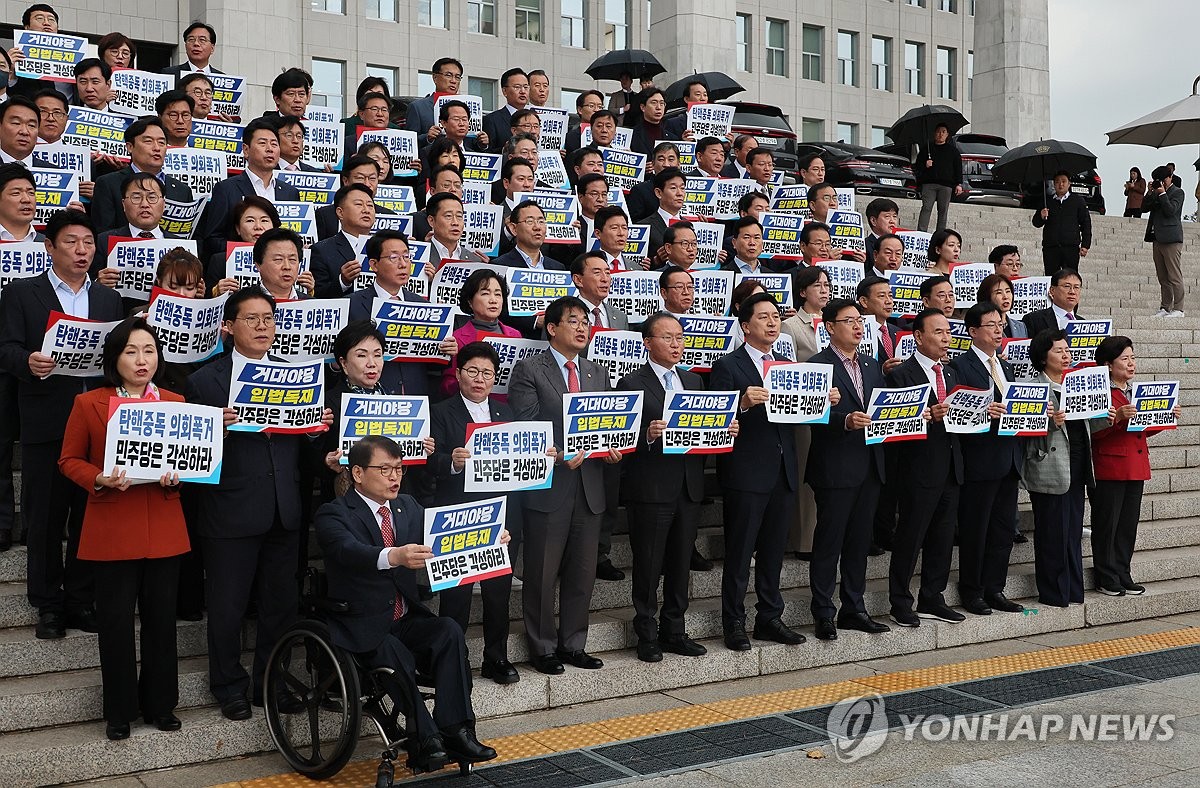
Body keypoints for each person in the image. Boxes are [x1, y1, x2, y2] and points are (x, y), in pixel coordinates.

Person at [185, 287, 332, 720]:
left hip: (284, 507)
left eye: (269, 319)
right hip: (230, 509)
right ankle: (228, 684)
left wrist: (312, 432)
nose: (264, 326)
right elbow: (190, 451)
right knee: (228, 607)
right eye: (252, 319)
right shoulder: (205, 380)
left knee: (280, 606)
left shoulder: (297, 373)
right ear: (228, 327)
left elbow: (305, 450)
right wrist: (219, 429)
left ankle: (272, 681)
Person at [314, 435, 498, 770]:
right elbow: (347, 551)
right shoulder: (334, 513)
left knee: (448, 631)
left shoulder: (408, 506)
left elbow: (445, 533)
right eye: (384, 469)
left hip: (403, 616)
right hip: (361, 622)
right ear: (357, 473)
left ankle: (457, 730)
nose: (395, 477)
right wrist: (393, 556)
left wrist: (488, 535)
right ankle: (425, 739)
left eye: (398, 469)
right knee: (393, 652)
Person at [58, 318, 190, 741]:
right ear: (115, 358)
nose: (141, 359)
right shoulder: (89, 403)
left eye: (149, 350)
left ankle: (160, 705)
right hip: (113, 525)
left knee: (160, 621)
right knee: (115, 623)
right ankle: (119, 710)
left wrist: (179, 475)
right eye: (131, 351)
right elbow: (68, 460)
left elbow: (192, 459)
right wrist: (99, 477)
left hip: (163, 526)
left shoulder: (175, 401)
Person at [0, 209, 123, 639]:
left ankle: (79, 599)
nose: (82, 250)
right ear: (49, 247)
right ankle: (48, 604)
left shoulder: (108, 299)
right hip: (46, 420)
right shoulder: (22, 294)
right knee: (46, 518)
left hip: (98, 423)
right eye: (71, 242)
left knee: (90, 516)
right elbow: (6, 348)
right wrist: (27, 361)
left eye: (88, 243)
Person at [508, 297, 621, 674]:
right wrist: (558, 454)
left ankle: (574, 643)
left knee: (582, 572)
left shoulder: (596, 372)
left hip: (590, 486)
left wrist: (610, 446)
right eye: (573, 321)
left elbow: (606, 421)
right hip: (549, 485)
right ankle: (542, 646)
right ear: (552, 328)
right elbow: (523, 426)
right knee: (541, 572)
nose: (582, 327)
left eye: (585, 321)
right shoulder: (529, 369)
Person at [618, 312, 731, 662]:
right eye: (667, 338)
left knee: (682, 562)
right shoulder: (631, 383)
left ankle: (675, 629)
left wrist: (725, 430)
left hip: (688, 486)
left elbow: (704, 431)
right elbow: (618, 435)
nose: (676, 344)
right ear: (647, 343)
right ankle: (647, 632)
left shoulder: (694, 382)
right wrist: (646, 435)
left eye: (680, 337)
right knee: (649, 563)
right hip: (651, 488)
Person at [710, 293, 807, 650]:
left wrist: (821, 402)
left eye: (776, 316)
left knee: (772, 552)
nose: (772, 322)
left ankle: (769, 616)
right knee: (739, 552)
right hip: (746, 473)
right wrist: (741, 403)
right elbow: (713, 419)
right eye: (764, 317)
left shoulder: (786, 365)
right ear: (745, 325)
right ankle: (733, 621)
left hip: (783, 470)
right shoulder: (728, 366)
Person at [429, 342, 523, 684]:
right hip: (459, 514)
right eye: (472, 371)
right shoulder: (441, 412)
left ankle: (496, 658)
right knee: (457, 595)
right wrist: (451, 463)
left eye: (487, 373)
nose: (480, 379)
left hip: (501, 514)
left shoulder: (506, 412)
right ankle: (453, 663)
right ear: (458, 374)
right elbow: (428, 462)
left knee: (498, 593)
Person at [806, 298, 890, 640]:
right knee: (829, 542)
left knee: (859, 543)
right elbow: (807, 416)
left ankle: (854, 608)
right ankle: (824, 611)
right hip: (835, 468)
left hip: (870, 465)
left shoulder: (872, 366)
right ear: (829, 327)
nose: (858, 326)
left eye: (860, 321)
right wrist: (843, 420)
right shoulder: (816, 366)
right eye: (849, 320)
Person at [884, 309, 965, 626]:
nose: (946, 338)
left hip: (950, 465)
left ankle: (933, 596)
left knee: (943, 538)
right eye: (938, 332)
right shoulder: (901, 375)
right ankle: (900, 600)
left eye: (947, 332)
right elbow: (890, 422)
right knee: (910, 537)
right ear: (918, 336)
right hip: (917, 469)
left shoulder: (951, 373)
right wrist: (923, 417)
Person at [947, 301, 1024, 616]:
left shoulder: (1006, 367)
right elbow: (956, 413)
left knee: (1003, 530)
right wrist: (983, 412)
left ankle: (996, 588)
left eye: (1001, 324)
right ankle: (972, 590)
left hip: (1008, 459)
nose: (998, 330)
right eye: (991, 325)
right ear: (973, 330)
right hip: (979, 460)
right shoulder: (960, 367)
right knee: (976, 530)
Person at [1091, 336, 1178, 597]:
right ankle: (1106, 576)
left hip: (1135, 465)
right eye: (1125, 359)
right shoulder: (1099, 392)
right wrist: (1116, 418)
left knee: (1127, 524)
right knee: (1108, 524)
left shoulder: (1132, 391)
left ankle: (1123, 571)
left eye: (1133, 358)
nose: (1131, 364)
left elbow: (1138, 430)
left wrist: (1163, 417)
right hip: (1109, 466)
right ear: (1108, 364)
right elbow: (1093, 433)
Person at [1024, 329, 1093, 608]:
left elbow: (1088, 425)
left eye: (1067, 350)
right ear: (1043, 357)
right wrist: (1050, 422)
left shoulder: (1076, 384)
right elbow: (1021, 430)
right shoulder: (1031, 387)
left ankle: (1074, 590)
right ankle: (1054, 592)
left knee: (1072, 531)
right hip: (1049, 467)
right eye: (1059, 351)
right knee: (1052, 532)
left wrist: (1109, 417)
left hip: (1076, 467)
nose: (1066, 355)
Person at [779, 266, 830, 560]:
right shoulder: (790, 326)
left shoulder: (836, 322)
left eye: (827, 285)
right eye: (817, 286)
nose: (824, 290)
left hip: (835, 409)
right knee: (804, 475)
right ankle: (804, 540)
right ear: (802, 292)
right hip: (806, 412)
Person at [199, 119, 300, 261]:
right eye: (262, 143)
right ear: (246, 150)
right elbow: (213, 239)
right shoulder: (226, 189)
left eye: (274, 144)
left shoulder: (290, 192)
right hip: (241, 270)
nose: (269, 149)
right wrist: (248, 251)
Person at [91, 117, 193, 234]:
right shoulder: (108, 183)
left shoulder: (183, 191)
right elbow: (103, 233)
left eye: (161, 143)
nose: (156, 148)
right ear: (130, 147)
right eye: (148, 141)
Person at [440, 269, 522, 396]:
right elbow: (448, 385)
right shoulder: (456, 338)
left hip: (507, 408)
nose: (493, 300)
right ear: (470, 302)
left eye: (498, 294)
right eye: (485, 293)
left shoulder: (515, 335)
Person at [310, 184, 375, 298]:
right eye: (359, 204)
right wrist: (343, 282)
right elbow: (317, 295)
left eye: (370, 205)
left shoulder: (385, 247)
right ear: (340, 212)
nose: (366, 210)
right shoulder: (321, 251)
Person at [206, 195, 280, 294]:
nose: (258, 227)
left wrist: (308, 290)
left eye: (264, 220)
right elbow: (205, 302)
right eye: (250, 220)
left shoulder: (289, 261)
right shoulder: (220, 261)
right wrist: (216, 292)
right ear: (238, 228)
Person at [1143, 164, 1187, 317]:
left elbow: (1170, 211)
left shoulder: (1178, 192)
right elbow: (1144, 208)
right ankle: (1165, 307)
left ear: (1170, 177)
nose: (1161, 183)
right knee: (1162, 276)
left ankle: (1179, 308)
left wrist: (1162, 194)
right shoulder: (1156, 192)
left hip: (1172, 239)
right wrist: (1150, 192)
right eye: (1158, 180)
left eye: (1163, 180)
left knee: (1174, 275)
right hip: (1157, 238)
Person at [314, 154, 386, 241]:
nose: (367, 184)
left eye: (372, 178)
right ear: (345, 181)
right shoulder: (325, 215)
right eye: (360, 178)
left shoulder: (389, 215)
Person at [1032, 170, 1091, 275]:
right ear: (1054, 184)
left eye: (1064, 181)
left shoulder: (1077, 201)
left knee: (1070, 276)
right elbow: (1036, 223)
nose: (1061, 184)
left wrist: (1085, 244)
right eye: (1057, 182)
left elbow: (1085, 223)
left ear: (1069, 184)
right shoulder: (1047, 201)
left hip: (1070, 247)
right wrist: (1041, 216)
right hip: (1051, 247)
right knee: (1051, 276)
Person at [914, 123, 963, 232]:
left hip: (946, 185)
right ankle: (921, 232)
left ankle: (940, 234)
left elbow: (958, 168)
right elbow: (917, 166)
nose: (940, 134)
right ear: (934, 134)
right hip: (929, 184)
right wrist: (925, 165)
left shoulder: (953, 151)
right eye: (938, 132)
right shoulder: (926, 149)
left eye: (943, 132)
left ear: (947, 135)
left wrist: (958, 184)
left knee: (943, 210)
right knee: (926, 208)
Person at [408, 57, 463, 148]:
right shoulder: (418, 107)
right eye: (448, 75)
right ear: (435, 78)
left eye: (457, 77)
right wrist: (427, 137)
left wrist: (481, 144)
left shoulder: (466, 108)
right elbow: (409, 142)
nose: (453, 81)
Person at [249, 227, 315, 302]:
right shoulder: (243, 303)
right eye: (278, 259)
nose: (287, 267)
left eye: (292, 260)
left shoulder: (311, 305)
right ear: (258, 265)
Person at [639, 167, 686, 262]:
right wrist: (656, 260)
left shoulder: (691, 226)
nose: (680, 193)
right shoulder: (643, 227)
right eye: (673, 188)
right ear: (659, 193)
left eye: (682, 188)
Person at [1023, 267, 1084, 336]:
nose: (1072, 292)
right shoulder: (1033, 319)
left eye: (1076, 287)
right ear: (1052, 290)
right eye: (1067, 286)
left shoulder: (1083, 323)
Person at [482, 68, 529, 153]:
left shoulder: (534, 118)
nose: (523, 91)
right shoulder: (492, 120)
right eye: (517, 87)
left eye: (526, 87)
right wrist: (505, 149)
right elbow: (488, 152)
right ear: (504, 91)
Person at [629, 89, 679, 158]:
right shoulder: (631, 136)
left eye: (662, 103)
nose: (658, 107)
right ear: (643, 107)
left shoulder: (673, 138)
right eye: (654, 103)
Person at [977, 273, 1028, 339]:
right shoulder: (981, 326)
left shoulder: (1021, 326)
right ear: (987, 297)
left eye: (1008, 291)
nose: (1005, 297)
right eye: (999, 293)